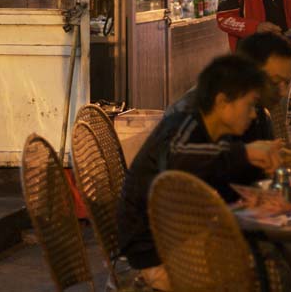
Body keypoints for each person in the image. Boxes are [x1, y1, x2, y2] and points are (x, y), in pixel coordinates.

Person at [117, 55, 282, 291]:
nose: (254, 115)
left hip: (184, 236)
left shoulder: (214, 134)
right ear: (223, 102)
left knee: (281, 254)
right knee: (267, 269)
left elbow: (215, 176)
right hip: (155, 251)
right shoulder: (183, 124)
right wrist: (245, 153)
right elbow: (177, 158)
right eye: (249, 105)